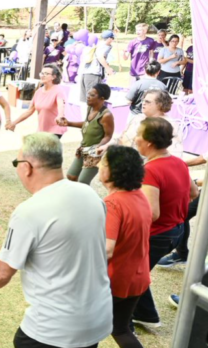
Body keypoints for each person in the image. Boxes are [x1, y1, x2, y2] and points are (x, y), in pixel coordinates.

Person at [0, 132, 113, 348]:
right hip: (96, 320)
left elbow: (2, 272)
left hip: (53, 330)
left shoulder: (29, 211)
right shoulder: (90, 195)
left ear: (27, 166)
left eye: (16, 162)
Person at [131, 117, 199, 330]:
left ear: (149, 142)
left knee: (133, 273)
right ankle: (145, 314)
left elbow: (151, 213)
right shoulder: (178, 162)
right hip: (174, 231)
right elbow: (194, 193)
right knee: (137, 271)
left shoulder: (150, 170)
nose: (135, 139)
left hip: (157, 233)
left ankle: (139, 316)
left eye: (138, 136)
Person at [98, 145, 150, 348]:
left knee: (83, 330)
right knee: (120, 328)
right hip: (137, 278)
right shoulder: (140, 196)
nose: (100, 167)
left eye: (103, 163)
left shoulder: (113, 204)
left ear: (112, 171)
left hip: (114, 279)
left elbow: (106, 249)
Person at [98, 89, 183, 158]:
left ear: (160, 104)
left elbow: (175, 154)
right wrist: (107, 146)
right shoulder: (138, 118)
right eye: (143, 101)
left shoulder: (169, 125)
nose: (143, 103)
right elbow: (122, 137)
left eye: (148, 102)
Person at [57, 83, 114, 184]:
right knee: (71, 176)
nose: (88, 97)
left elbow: (108, 136)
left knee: (83, 181)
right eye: (88, 94)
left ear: (102, 98)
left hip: (95, 152)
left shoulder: (106, 115)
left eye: (92, 95)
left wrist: (98, 147)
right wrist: (69, 123)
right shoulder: (90, 108)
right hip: (83, 149)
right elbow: (88, 124)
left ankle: (84, 198)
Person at [8, 64, 67, 138]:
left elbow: (61, 105)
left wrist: (60, 116)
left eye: (46, 74)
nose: (43, 75)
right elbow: (29, 111)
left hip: (55, 129)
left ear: (54, 77)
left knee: (45, 149)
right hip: (41, 129)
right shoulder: (38, 92)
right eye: (42, 73)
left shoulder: (59, 91)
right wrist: (14, 123)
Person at [80, 30, 115, 103]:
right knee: (92, 100)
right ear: (109, 39)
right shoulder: (105, 46)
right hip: (93, 75)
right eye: (112, 38)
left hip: (86, 74)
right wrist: (108, 69)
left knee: (87, 100)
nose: (112, 40)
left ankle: (87, 114)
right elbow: (100, 57)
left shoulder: (97, 45)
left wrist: (107, 67)